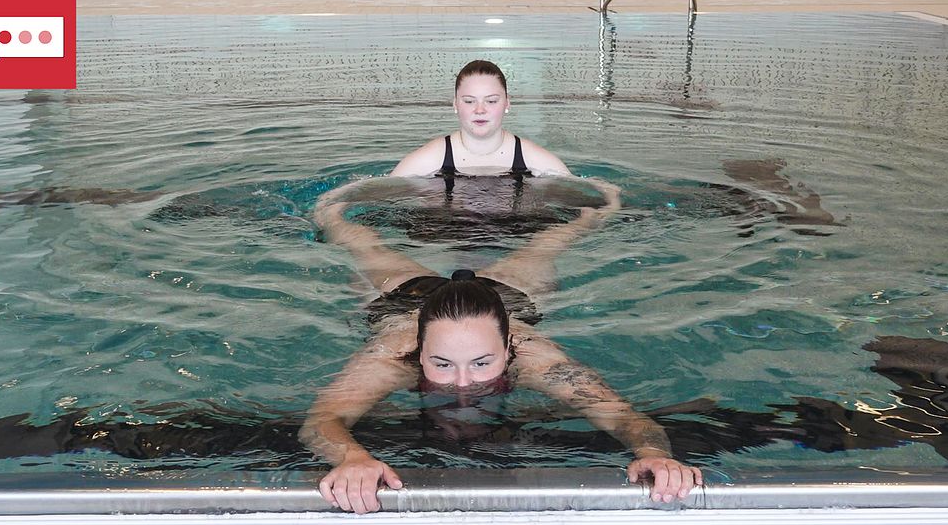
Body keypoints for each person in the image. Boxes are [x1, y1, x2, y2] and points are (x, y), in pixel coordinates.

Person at [301, 178, 703, 514]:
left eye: (481, 363)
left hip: (506, 297)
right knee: (360, 246)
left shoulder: (536, 357)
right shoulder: (391, 353)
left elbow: (624, 418)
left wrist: (652, 452)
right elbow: (322, 422)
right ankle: (329, 209)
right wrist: (351, 457)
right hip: (405, 297)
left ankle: (603, 205)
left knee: (550, 244)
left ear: (510, 348)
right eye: (441, 364)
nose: (462, 383)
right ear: (419, 350)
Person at [390, 60, 572, 178]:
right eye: (469, 101)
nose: (480, 110)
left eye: (491, 101)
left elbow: (594, 206)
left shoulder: (534, 159)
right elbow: (368, 200)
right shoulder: (431, 159)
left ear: (507, 104)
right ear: (455, 105)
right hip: (444, 234)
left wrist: (553, 238)